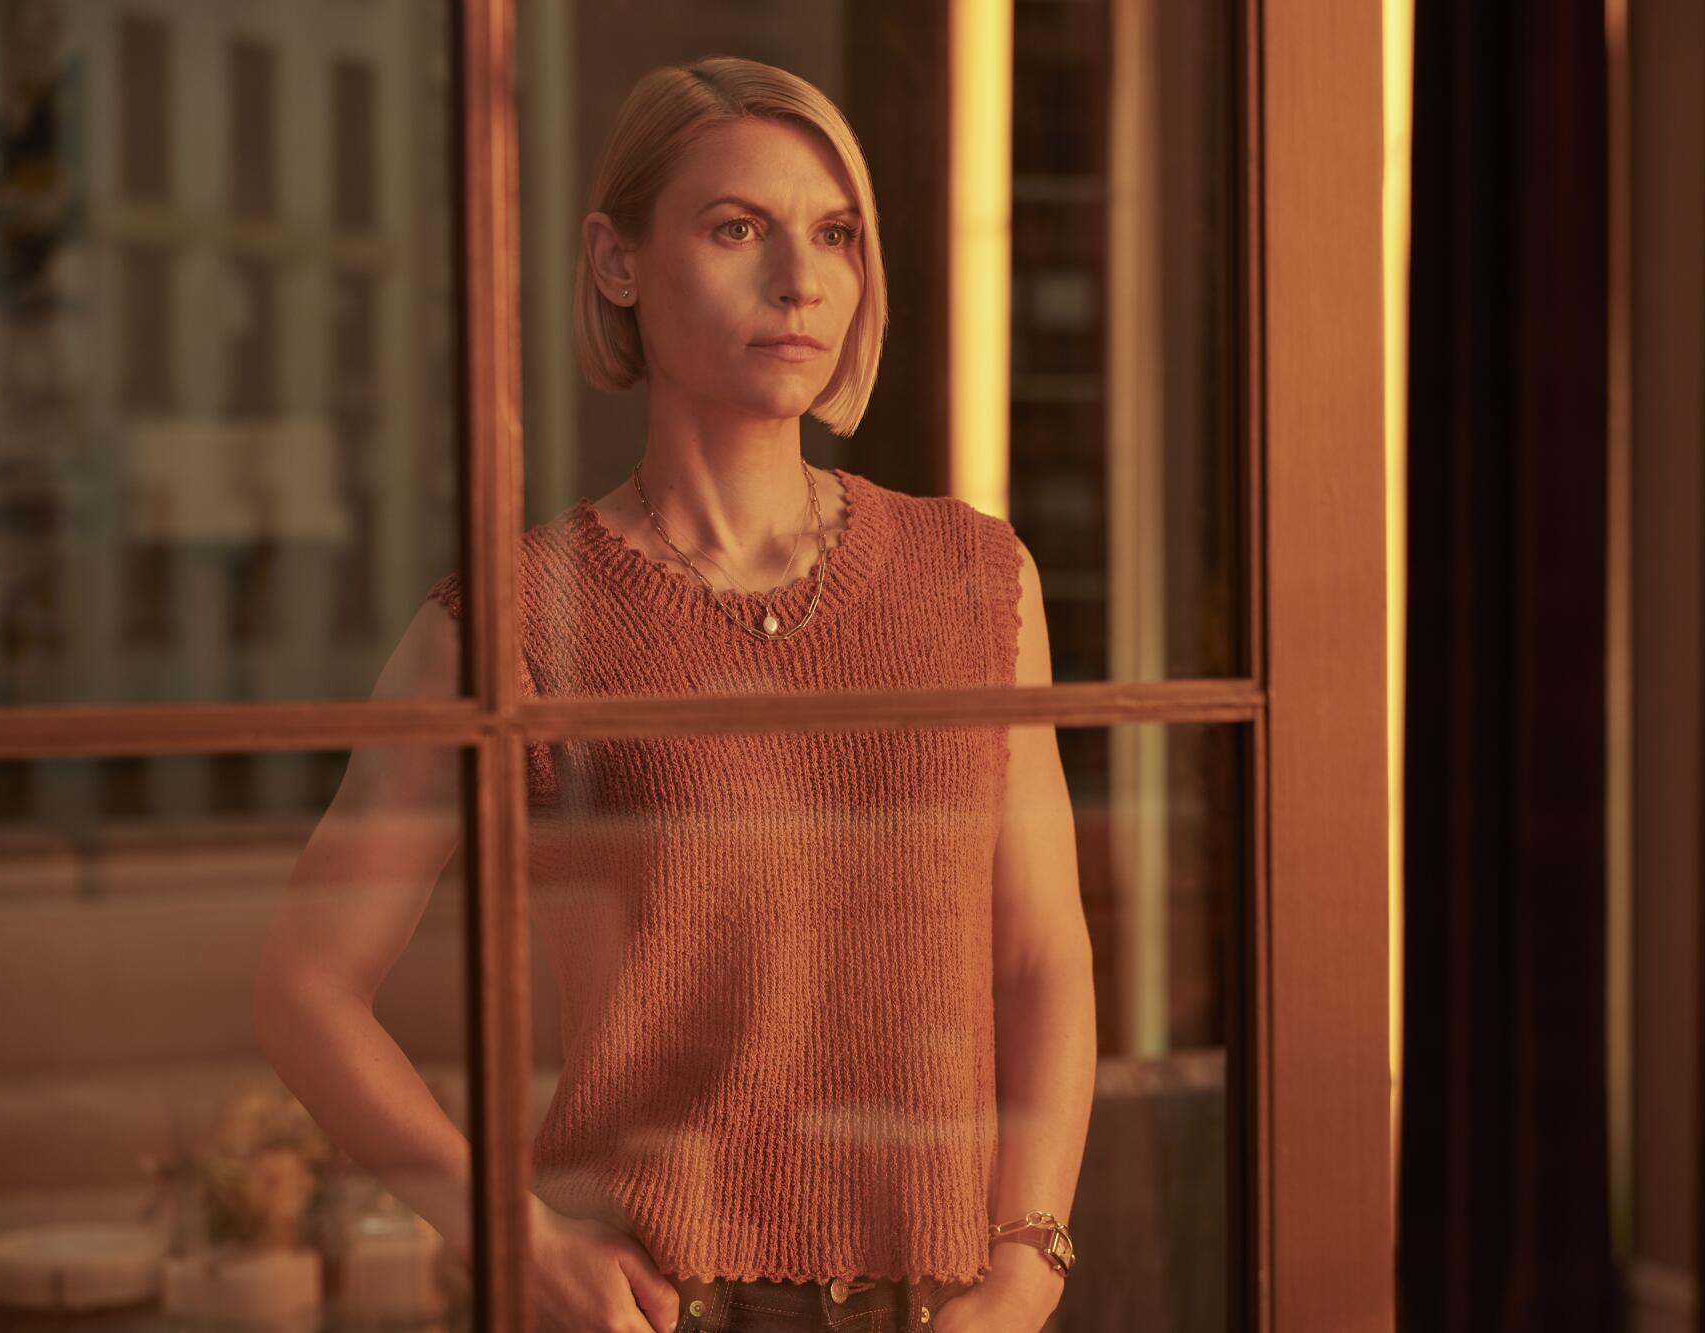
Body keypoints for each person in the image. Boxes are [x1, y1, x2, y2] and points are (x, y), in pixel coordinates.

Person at [253, 55, 1095, 1333]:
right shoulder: (518, 617)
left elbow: (1039, 957)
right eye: (734, 227)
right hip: (652, 1302)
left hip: (949, 1305)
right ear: (616, 262)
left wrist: (1027, 1262)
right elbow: (304, 985)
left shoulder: (976, 577)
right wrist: (517, 1239)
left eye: (832, 234)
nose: (798, 280)